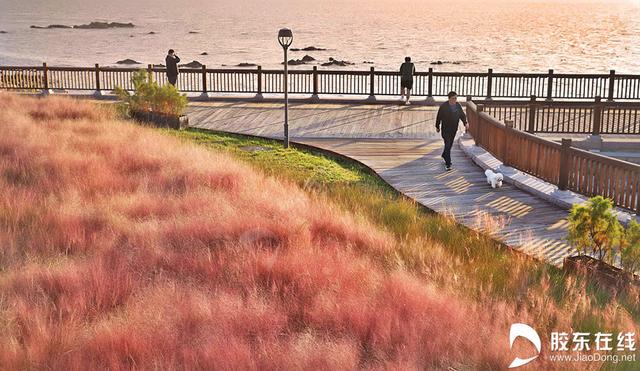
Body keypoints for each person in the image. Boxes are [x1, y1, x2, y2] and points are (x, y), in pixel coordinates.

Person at [436, 91, 468, 170]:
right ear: (449, 99)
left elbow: (462, 115)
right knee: (447, 144)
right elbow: (438, 117)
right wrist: (437, 126)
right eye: (453, 98)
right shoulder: (444, 106)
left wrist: (465, 123)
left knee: (449, 146)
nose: (455, 100)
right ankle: (448, 164)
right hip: (445, 129)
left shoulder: (458, 105)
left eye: (456, 98)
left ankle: (444, 155)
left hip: (453, 129)